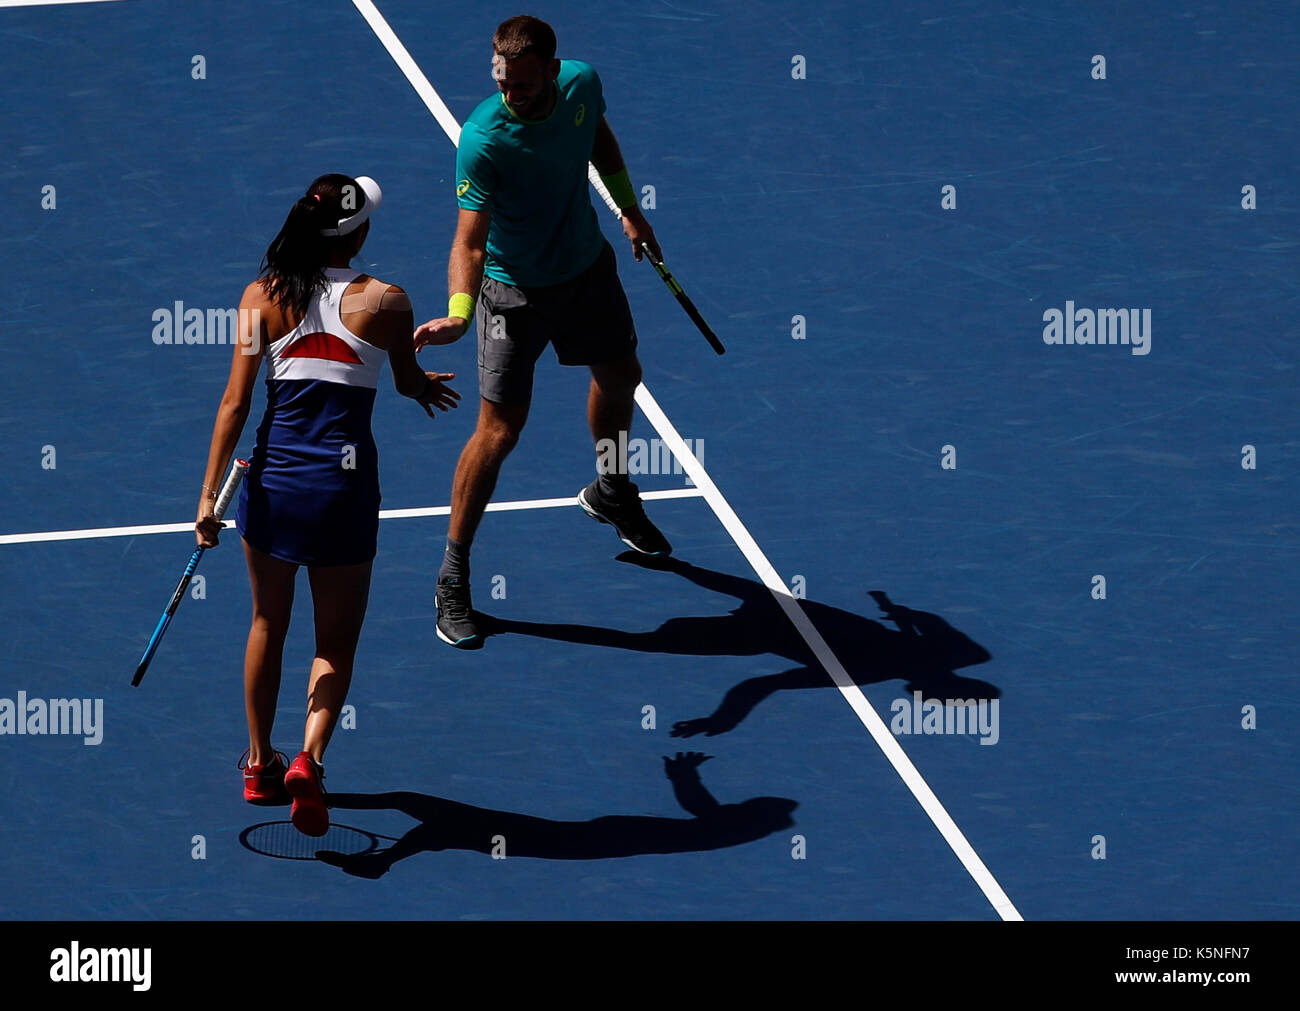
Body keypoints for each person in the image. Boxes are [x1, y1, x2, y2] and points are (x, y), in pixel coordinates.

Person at [196, 173, 459, 836]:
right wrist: (423, 382)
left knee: (266, 623)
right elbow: (403, 381)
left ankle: (258, 765)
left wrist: (207, 498)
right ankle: (308, 762)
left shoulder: (262, 297)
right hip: (343, 494)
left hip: (275, 488)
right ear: (360, 233)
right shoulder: (390, 303)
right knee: (335, 640)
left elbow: (235, 403)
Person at [414, 14, 671, 650]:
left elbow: (598, 139)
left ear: (552, 72)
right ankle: (452, 573)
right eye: (502, 81)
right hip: (511, 292)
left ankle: (611, 489)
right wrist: (460, 310)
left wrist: (629, 210)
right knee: (498, 431)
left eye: (524, 84)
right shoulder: (483, 139)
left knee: (620, 377)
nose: (512, 93)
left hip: (585, 269)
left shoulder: (581, 85)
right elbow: (469, 242)